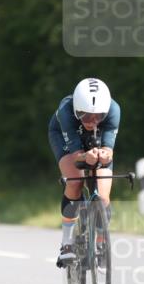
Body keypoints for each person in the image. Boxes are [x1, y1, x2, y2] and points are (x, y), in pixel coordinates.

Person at [48, 77, 120, 266]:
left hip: (96, 142)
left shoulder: (113, 110)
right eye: (85, 115)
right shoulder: (66, 111)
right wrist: (85, 158)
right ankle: (67, 243)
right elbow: (77, 157)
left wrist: (105, 156)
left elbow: (109, 151)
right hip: (64, 138)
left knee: (103, 197)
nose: (92, 121)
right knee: (75, 182)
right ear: (76, 109)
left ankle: (100, 241)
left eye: (98, 117)